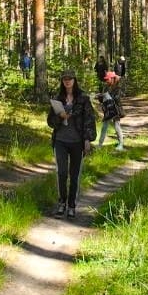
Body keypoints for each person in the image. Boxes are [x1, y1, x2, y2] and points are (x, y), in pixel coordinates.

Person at [49, 70, 95, 218]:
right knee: (61, 173)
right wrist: (60, 117)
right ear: (62, 81)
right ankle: (62, 203)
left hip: (77, 142)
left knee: (74, 175)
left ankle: (72, 205)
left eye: (70, 79)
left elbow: (89, 120)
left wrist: (87, 140)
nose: (67, 81)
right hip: (60, 141)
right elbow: (50, 122)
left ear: (75, 80)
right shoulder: (57, 99)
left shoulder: (83, 98)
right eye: (64, 79)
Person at [95, 71, 125, 150]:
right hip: (108, 110)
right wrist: (99, 96)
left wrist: (107, 95)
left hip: (116, 110)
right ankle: (100, 145)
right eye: (106, 79)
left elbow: (117, 98)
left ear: (112, 79)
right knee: (104, 127)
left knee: (117, 126)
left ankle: (121, 144)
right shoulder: (106, 87)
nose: (106, 81)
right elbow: (102, 100)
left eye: (107, 79)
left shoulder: (118, 87)